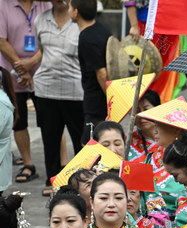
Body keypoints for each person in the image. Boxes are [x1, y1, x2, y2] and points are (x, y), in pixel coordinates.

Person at [33, 0, 82, 195]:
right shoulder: (40, 20)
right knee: (50, 139)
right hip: (46, 89)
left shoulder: (79, 20)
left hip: (75, 90)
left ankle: (82, 181)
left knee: (81, 141)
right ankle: (53, 180)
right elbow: (41, 51)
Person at [0, 0, 49, 184]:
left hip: (43, 71)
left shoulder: (46, 4)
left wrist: (32, 62)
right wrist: (22, 68)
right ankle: (28, 163)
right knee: (18, 121)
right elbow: (1, 41)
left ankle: (60, 165)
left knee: (51, 120)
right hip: (13, 73)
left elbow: (52, 36)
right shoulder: (3, 5)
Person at [70, 0, 108, 131]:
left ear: (76, 12)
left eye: (70, 6)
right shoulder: (102, 29)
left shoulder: (87, 38)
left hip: (96, 103)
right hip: (100, 101)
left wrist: (112, 101)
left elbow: (101, 73)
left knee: (90, 145)